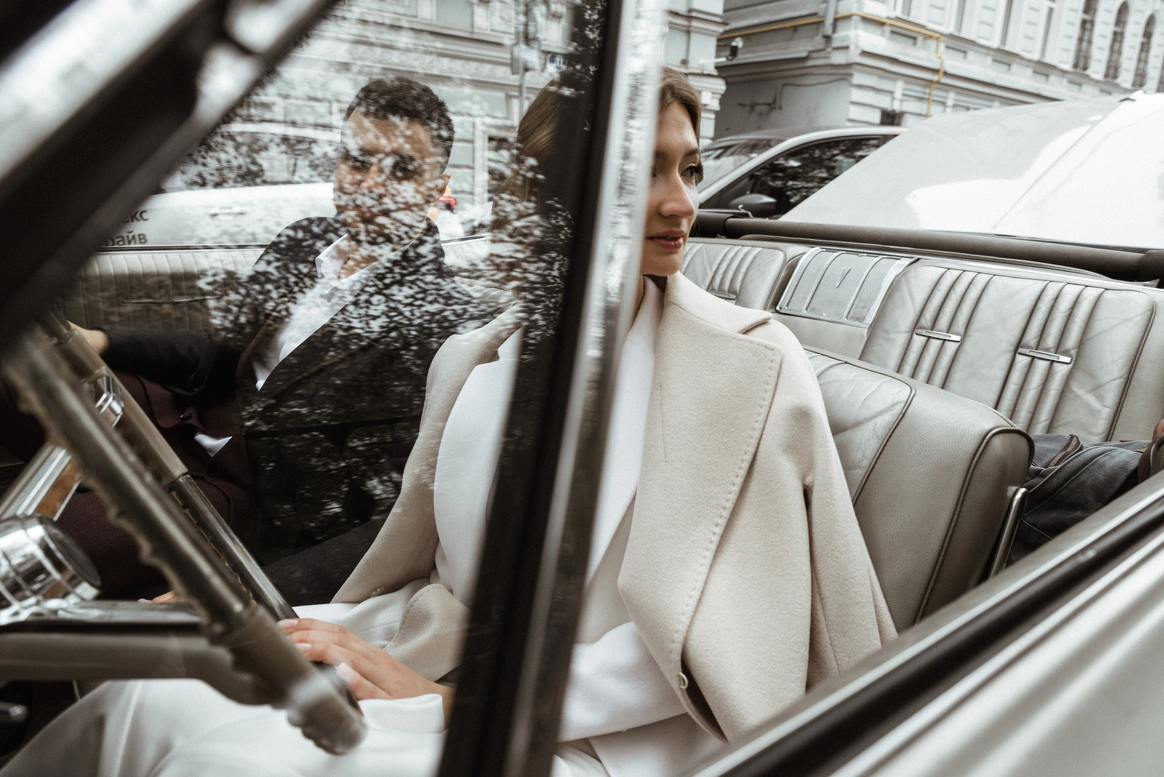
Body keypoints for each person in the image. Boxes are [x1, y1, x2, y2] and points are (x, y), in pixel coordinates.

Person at [0, 69, 894, 777]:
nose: (682, 201)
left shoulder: (749, 364)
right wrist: (306, 625)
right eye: (643, 174)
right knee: (150, 691)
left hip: (612, 729)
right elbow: (426, 565)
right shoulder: (477, 356)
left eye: (689, 168)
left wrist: (454, 699)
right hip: (449, 651)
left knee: (227, 760)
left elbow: (721, 634)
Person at [6, 77, 489, 598]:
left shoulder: (442, 322)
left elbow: (399, 514)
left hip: (244, 501)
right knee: (17, 368)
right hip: (181, 423)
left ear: (437, 186)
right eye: (357, 160)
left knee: (42, 547)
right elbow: (219, 349)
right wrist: (100, 340)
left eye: (401, 169)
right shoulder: (302, 242)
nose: (371, 184)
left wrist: (250, 591)